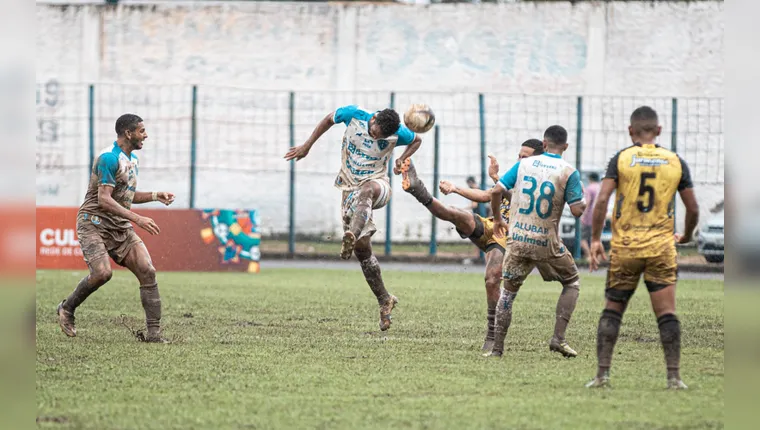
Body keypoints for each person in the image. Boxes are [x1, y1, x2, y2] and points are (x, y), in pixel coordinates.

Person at [586, 106, 699, 389]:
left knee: (613, 309)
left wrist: (597, 239)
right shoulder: (675, 161)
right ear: (659, 130)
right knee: (666, 313)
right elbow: (693, 207)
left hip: (626, 247)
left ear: (630, 130)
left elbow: (601, 201)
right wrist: (685, 234)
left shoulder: (621, 159)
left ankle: (602, 376)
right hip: (661, 247)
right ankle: (674, 378)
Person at [284, 105, 421, 331]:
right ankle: (385, 300)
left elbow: (416, 140)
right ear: (374, 118)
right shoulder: (353, 115)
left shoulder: (397, 132)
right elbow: (328, 120)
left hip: (378, 185)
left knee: (368, 190)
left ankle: (351, 234)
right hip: (349, 190)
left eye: (382, 138)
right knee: (362, 251)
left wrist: (401, 159)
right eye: (376, 131)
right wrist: (307, 146)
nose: (377, 137)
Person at [401, 139, 544, 351]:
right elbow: (487, 195)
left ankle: (492, 333)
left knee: (491, 278)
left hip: (514, 236)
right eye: (519, 156)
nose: (520, 161)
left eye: (526, 157)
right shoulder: (513, 176)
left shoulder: (543, 182)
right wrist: (455, 189)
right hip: (494, 226)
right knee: (456, 214)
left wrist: (497, 179)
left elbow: (517, 200)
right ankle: (417, 188)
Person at [57, 114, 176, 342]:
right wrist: (138, 219)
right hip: (94, 222)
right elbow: (104, 199)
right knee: (102, 274)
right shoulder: (108, 158)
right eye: (142, 131)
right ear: (128, 133)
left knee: (147, 270)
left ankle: (154, 336)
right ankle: (67, 308)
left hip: (119, 225)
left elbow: (124, 197)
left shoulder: (132, 159)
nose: (146, 135)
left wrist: (154, 195)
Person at [489, 125, 587, 358]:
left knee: (508, 294)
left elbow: (496, 191)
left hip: (518, 239)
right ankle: (558, 339)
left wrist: (497, 219)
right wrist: (582, 202)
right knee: (572, 281)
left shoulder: (523, 164)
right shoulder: (568, 171)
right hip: (546, 242)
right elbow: (576, 211)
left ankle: (497, 349)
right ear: (565, 147)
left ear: (543, 145)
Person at [580, 172, 601, 258]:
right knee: (596, 238)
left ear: (590, 179)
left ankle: (589, 256)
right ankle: (597, 257)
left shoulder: (589, 188)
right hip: (599, 216)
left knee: (582, 238)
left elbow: (587, 203)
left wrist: (583, 215)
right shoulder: (601, 188)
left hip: (589, 217)